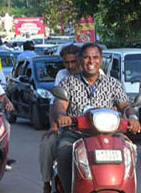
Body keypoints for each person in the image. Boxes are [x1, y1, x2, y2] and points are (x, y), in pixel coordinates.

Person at [54, 43, 141, 193]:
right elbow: (60, 104)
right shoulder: (68, 82)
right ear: (80, 60)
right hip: (77, 133)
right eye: (87, 58)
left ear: (101, 61)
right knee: (63, 152)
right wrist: (62, 116)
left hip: (112, 133)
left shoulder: (113, 83)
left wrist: (132, 117)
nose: (91, 61)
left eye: (95, 57)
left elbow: (125, 105)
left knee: (130, 152)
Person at [39, 44, 81, 193]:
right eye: (66, 62)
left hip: (95, 128)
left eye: (74, 61)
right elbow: (55, 104)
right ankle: (46, 182)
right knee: (48, 144)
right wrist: (54, 126)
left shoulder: (101, 76)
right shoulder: (62, 76)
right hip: (69, 127)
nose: (70, 66)